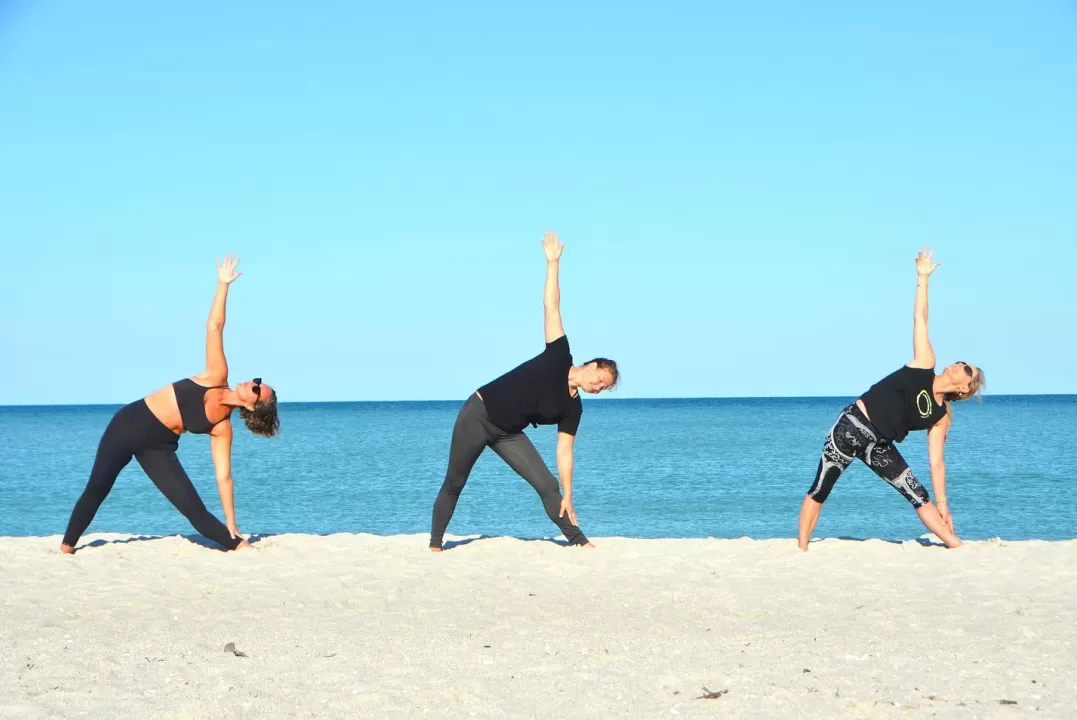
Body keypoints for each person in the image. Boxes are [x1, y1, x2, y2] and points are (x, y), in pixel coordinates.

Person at [59, 255, 279, 554]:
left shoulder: (221, 428)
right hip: (127, 425)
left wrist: (232, 521)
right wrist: (223, 285)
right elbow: (214, 327)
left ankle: (237, 544)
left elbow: (224, 476)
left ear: (253, 406)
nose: (250, 383)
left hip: (158, 447)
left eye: (256, 389)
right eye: (256, 380)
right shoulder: (216, 375)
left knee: (195, 511)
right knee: (97, 489)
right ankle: (67, 546)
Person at [429, 232, 619, 551]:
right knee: (455, 481)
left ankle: (579, 541)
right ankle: (435, 544)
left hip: (507, 433)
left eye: (604, 388)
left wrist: (569, 494)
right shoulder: (560, 354)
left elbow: (564, 452)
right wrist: (553, 263)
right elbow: (551, 306)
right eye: (601, 379)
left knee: (547, 484)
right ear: (592, 365)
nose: (599, 387)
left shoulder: (574, 408)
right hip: (478, 414)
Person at [797, 248, 985, 551]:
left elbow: (937, 462)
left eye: (966, 368)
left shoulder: (941, 416)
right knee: (820, 489)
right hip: (851, 425)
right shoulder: (925, 363)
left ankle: (956, 545)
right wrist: (922, 278)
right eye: (962, 361)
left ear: (964, 388)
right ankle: (802, 551)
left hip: (879, 445)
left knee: (917, 494)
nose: (959, 364)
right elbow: (920, 319)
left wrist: (944, 504)